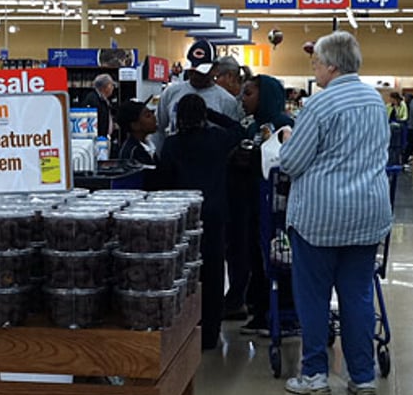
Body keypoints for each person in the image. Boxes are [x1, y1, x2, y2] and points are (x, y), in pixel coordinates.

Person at [279, 32, 391, 395]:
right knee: (357, 296)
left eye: (316, 64)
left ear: (331, 65)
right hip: (367, 213)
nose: (314, 70)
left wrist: (285, 140)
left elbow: (292, 162)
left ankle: (314, 374)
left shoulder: (320, 105)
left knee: (313, 297)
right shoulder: (376, 102)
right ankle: (362, 376)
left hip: (320, 217)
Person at [155, 94, 242, 351]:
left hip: (184, 217)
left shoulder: (172, 144)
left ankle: (185, 329)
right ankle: (210, 334)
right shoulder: (218, 140)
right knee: (214, 274)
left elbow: (164, 181)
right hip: (214, 214)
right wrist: (212, 115)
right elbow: (238, 129)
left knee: (184, 274)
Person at [228, 74, 295, 334]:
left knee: (275, 257)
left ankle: (280, 311)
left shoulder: (283, 125)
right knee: (255, 256)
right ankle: (259, 307)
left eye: (249, 93)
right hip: (252, 203)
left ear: (265, 95)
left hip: (275, 207)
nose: (243, 99)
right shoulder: (252, 126)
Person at [153, 39, 244, 149]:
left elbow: (233, 137)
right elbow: (159, 129)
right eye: (192, 71)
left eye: (201, 72)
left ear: (215, 69)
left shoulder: (226, 101)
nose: (195, 76)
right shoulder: (171, 93)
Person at [116, 100, 156, 166]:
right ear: (135, 125)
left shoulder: (150, 146)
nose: (154, 117)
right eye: (148, 116)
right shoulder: (132, 152)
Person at [84, 73, 116, 144]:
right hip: (98, 140)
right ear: (105, 87)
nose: (113, 88)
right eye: (111, 85)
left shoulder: (104, 99)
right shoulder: (93, 99)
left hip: (104, 138)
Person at [387, 91, 408, 167]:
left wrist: (398, 121)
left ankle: (397, 161)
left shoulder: (402, 105)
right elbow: (387, 115)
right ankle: (391, 161)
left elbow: (405, 117)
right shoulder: (389, 106)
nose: (391, 100)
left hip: (400, 127)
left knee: (399, 146)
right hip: (390, 127)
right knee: (391, 146)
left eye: (392, 99)